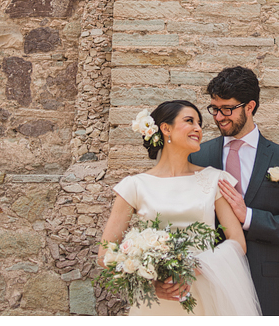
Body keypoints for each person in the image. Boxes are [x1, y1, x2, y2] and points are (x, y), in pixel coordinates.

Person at [98, 100, 261, 316]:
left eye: (199, 123)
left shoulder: (214, 179)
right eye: (189, 121)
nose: (198, 128)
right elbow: (105, 254)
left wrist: (190, 270)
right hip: (156, 301)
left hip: (204, 293)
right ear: (166, 129)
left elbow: (238, 242)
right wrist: (150, 283)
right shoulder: (135, 186)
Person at [183, 66, 279, 316]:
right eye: (215, 109)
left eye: (228, 109)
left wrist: (249, 217)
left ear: (250, 106)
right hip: (206, 282)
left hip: (263, 283)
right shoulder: (198, 156)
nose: (219, 117)